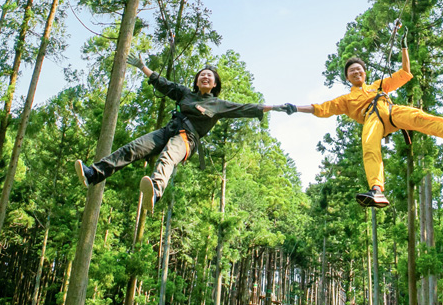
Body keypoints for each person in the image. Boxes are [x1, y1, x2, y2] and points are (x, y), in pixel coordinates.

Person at [75, 54, 296, 209]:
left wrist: (277, 107)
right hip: (168, 130)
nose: (205, 77)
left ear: (215, 84)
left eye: (210, 76)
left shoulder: (218, 104)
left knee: (168, 156)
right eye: (202, 75)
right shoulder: (184, 94)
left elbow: (247, 108)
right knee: (133, 148)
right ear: (197, 81)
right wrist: (143, 67)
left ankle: (156, 189)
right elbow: (163, 84)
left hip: (186, 139)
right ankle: (93, 173)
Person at [286, 36, 443, 208]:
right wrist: (296, 108)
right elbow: (321, 108)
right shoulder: (346, 100)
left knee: (416, 116)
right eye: (352, 71)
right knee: (370, 148)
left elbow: (404, 73)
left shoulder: (379, 85)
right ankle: (377, 189)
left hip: (390, 111)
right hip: (372, 119)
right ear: (347, 78)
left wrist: (404, 48)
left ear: (364, 73)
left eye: (359, 69)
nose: (356, 72)